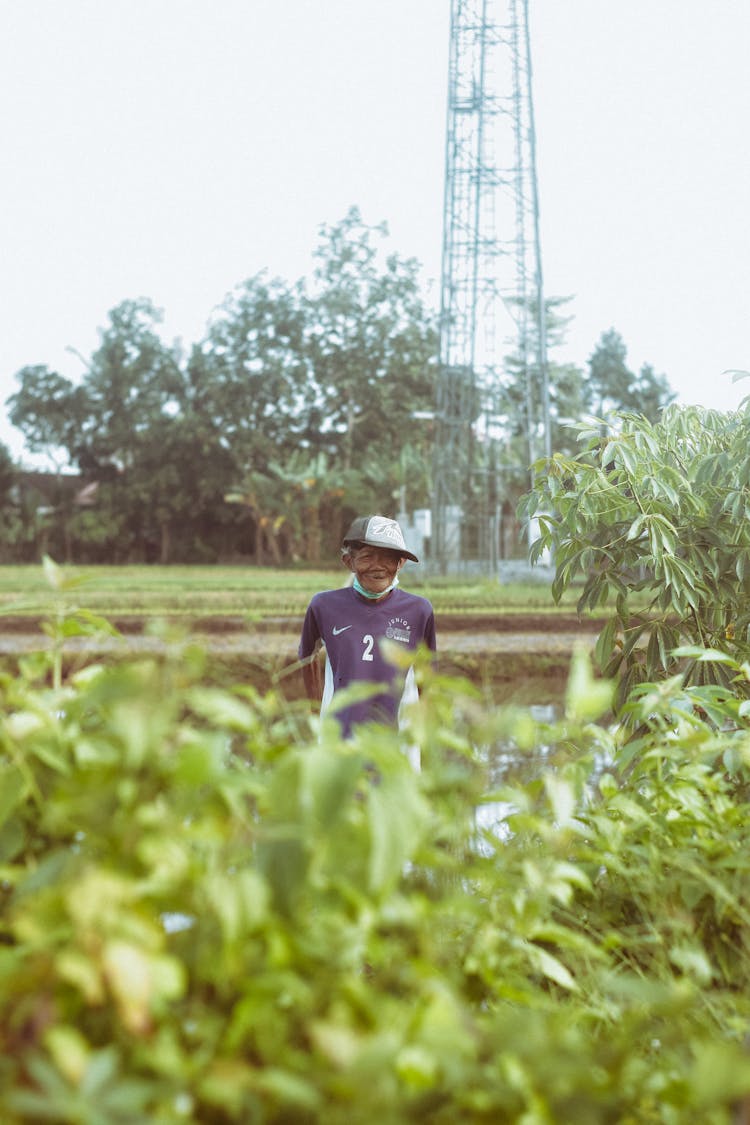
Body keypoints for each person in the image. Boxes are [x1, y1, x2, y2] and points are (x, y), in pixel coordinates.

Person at [298, 515, 437, 738]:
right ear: (349, 562)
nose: (378, 566)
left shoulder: (419, 610)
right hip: (340, 736)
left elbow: (426, 671)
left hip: (398, 739)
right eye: (367, 557)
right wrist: (316, 710)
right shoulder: (323, 606)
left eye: (389, 558)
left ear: (401, 563)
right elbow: (307, 655)